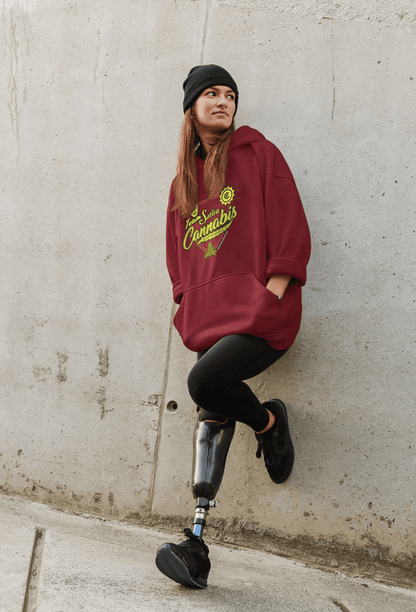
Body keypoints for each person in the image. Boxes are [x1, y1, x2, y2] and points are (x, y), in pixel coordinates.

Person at [155, 65, 311, 589]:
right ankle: (196, 544)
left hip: (262, 316)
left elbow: (291, 231)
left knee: (204, 384)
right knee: (212, 411)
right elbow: (179, 262)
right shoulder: (183, 184)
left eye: (230, 95)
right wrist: (186, 303)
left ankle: (269, 423)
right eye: (211, 94)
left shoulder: (261, 156)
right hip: (212, 321)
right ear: (191, 108)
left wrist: (272, 295)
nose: (223, 102)